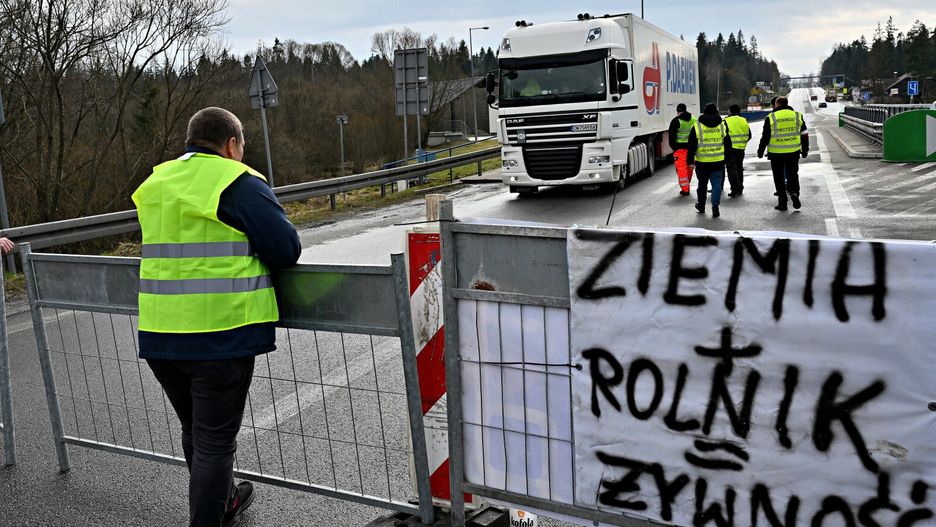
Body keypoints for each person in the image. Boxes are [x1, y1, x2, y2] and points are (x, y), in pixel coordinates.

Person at [131, 107, 301, 527]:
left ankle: (224, 501)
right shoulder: (237, 182)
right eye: (241, 146)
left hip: (160, 333)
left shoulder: (156, 182)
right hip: (220, 335)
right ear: (232, 145)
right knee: (214, 442)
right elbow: (285, 248)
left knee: (197, 431)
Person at [757, 96, 808, 211]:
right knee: (793, 174)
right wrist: (805, 150)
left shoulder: (771, 117)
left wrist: (760, 151)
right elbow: (804, 135)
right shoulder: (797, 115)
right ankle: (794, 193)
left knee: (779, 177)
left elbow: (765, 137)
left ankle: (783, 203)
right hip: (793, 152)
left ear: (777, 104)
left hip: (776, 153)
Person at [687, 103, 732, 218]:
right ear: (716, 112)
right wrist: (727, 158)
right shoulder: (722, 124)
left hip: (702, 162)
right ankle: (715, 206)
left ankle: (701, 206)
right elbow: (728, 143)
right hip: (718, 161)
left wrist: (690, 161)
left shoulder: (697, 126)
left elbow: (691, 145)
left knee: (702, 185)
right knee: (717, 184)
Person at [667, 102, 696, 196]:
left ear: (678, 111)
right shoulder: (694, 119)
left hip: (680, 149)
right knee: (689, 167)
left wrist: (674, 148)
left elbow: (671, 136)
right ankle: (687, 184)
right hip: (691, 148)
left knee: (681, 169)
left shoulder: (676, 121)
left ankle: (685, 189)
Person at [724, 104, 751, 197]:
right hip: (741, 148)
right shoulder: (744, 120)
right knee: (739, 168)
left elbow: (723, 135)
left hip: (730, 149)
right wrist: (742, 143)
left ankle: (735, 189)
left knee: (731, 170)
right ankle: (740, 188)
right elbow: (749, 135)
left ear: (730, 111)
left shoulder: (726, 121)